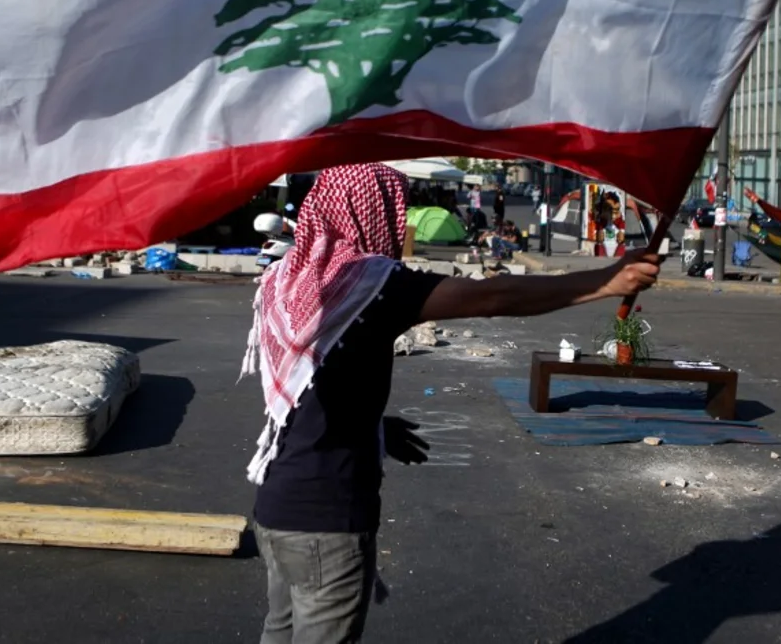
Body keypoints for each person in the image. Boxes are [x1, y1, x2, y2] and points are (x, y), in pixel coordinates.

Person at [240, 165, 661, 644]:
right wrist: (607, 281)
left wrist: (375, 425)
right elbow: (494, 295)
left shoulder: (285, 279)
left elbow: (308, 389)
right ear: (372, 212)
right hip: (327, 517)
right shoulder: (370, 284)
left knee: (279, 632)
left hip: (276, 505)